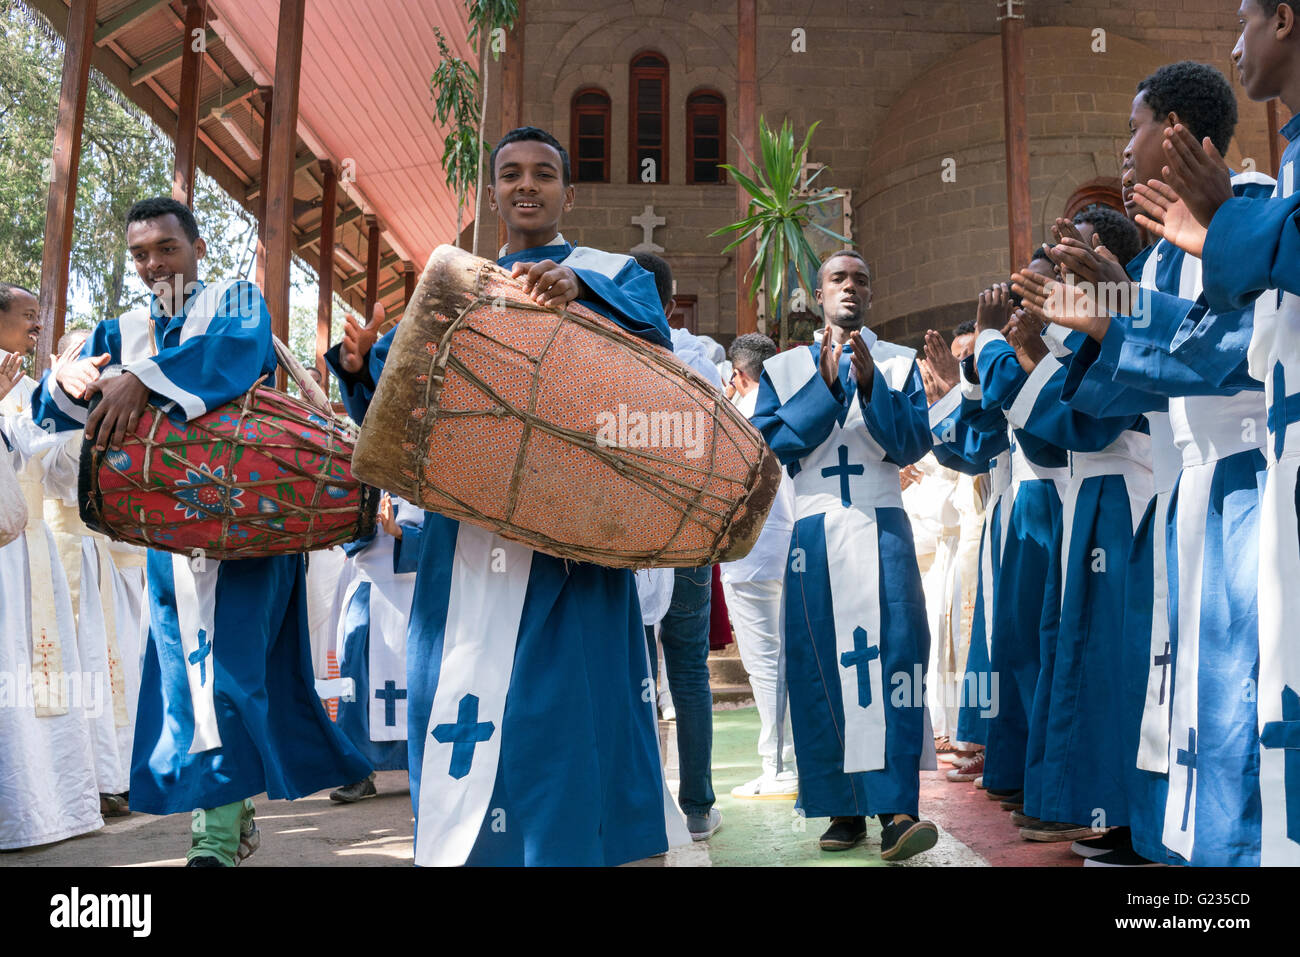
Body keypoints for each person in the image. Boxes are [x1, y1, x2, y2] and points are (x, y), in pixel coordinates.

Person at [327, 127, 673, 866]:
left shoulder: (611, 273)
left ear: (567, 193)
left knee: (567, 708)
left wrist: (582, 295)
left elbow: (657, 355)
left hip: (571, 535)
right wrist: (359, 370)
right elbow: (393, 413)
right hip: (468, 533)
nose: (526, 186)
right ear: (492, 192)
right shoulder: (453, 284)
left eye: (543, 174)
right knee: (476, 707)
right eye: (510, 174)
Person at [32, 198, 371, 867]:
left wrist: (145, 382)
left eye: (167, 247)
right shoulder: (121, 328)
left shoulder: (234, 301)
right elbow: (56, 412)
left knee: (233, 681)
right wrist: (62, 377)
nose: (155, 263)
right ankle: (226, 816)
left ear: (198, 248)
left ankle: (214, 839)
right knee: (195, 689)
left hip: (252, 532)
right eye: (141, 253)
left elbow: (236, 356)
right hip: (169, 543)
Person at [752, 250, 939, 861]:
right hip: (815, 532)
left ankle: (897, 809)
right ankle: (841, 807)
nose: (850, 287)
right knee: (820, 666)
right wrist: (829, 387)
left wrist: (868, 386)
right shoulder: (782, 369)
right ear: (818, 291)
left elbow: (914, 439)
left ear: (871, 289)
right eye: (838, 278)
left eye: (861, 277)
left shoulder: (898, 362)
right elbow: (772, 444)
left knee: (896, 662)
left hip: (883, 523)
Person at [0, 281, 103, 851]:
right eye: (25, 317)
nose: (36, 328)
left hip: (28, 549)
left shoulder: (27, 384)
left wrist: (68, 406)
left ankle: (39, 807)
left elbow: (51, 468)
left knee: (33, 674)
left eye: (40, 319)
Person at [630, 251, 723, 839]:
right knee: (685, 671)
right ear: (670, 303)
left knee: (641, 668)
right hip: (685, 526)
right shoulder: (699, 362)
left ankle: (648, 802)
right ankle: (695, 808)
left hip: (636, 532)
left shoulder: (605, 352)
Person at [44, 328, 148, 818]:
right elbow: (52, 469)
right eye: (80, 358)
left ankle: (118, 774)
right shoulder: (42, 411)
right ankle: (89, 777)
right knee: (81, 673)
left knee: (117, 675)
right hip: (64, 562)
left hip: (110, 563)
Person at [721, 332, 798, 799]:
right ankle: (790, 759)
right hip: (791, 546)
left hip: (750, 554)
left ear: (740, 374)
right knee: (785, 658)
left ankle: (777, 764)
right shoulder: (791, 412)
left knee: (764, 663)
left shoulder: (733, 418)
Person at [329, 494, 425, 803]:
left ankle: (423, 767)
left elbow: (443, 544)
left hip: (417, 596)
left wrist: (400, 533)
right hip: (369, 589)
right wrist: (367, 524)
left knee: (421, 681)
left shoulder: (427, 482)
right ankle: (357, 771)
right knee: (357, 683)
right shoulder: (363, 483)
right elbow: (343, 537)